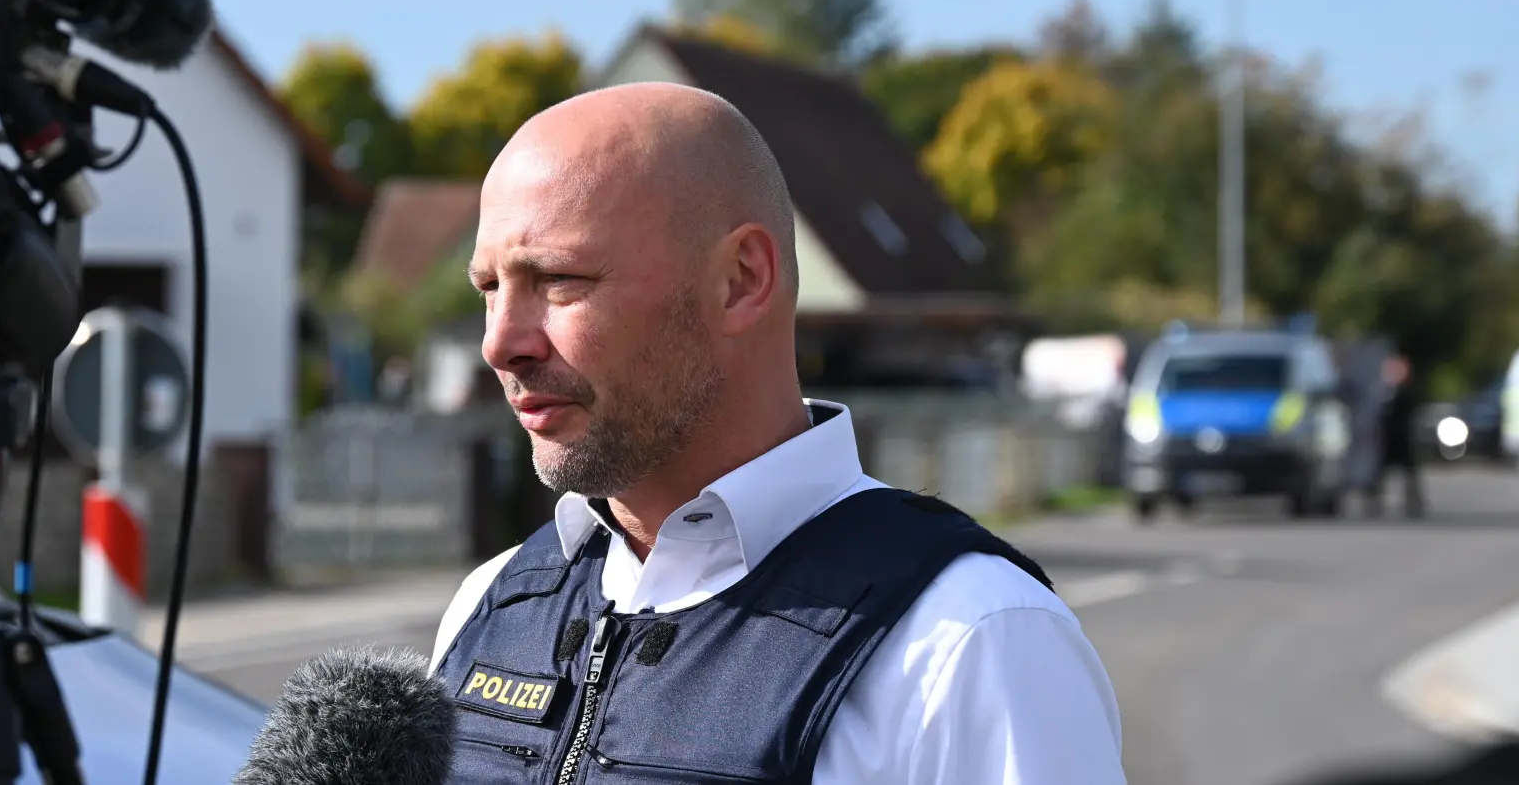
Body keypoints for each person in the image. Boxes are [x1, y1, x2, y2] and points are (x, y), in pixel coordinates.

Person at [428, 82, 1125, 784]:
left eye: (556, 278)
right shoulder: (490, 603)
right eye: (488, 289)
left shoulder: (972, 640)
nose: (500, 343)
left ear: (739, 280)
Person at [1368, 354, 1425, 519]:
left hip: (1403, 439)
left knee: (1409, 473)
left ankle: (1414, 504)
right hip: (1388, 439)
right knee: (1380, 474)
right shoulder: (1384, 392)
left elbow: (1409, 415)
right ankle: (1375, 504)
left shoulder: (1405, 394)